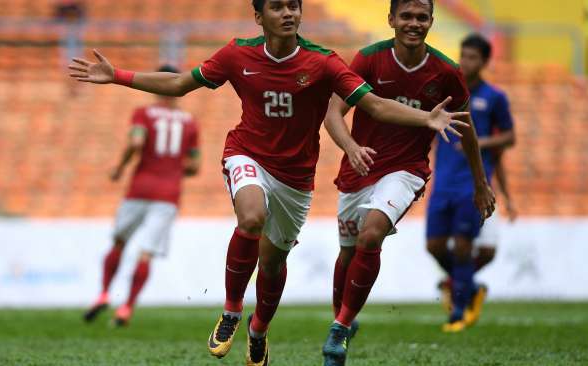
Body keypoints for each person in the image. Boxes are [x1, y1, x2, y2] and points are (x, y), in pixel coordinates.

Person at [69, 0, 469, 363]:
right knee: (251, 218)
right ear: (259, 17)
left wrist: (426, 118)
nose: (288, 14)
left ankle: (258, 330)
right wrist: (118, 75)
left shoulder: (323, 62)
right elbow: (180, 84)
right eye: (277, 8)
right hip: (248, 154)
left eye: (293, 7)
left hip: (296, 179)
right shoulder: (236, 53)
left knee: (274, 261)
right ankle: (230, 312)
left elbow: (374, 105)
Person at [320, 1, 496, 364]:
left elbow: (467, 131)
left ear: (431, 21)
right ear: (391, 20)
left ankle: (339, 327)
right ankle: (344, 318)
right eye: (407, 16)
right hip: (360, 167)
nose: (414, 24)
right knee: (348, 252)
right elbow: (333, 113)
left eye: (422, 17)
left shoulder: (446, 71)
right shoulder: (369, 60)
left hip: (406, 169)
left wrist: (481, 183)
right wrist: (351, 146)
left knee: (371, 235)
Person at [83, 65, 200, 326]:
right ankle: (126, 307)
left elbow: (136, 142)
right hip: (168, 194)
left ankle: (103, 293)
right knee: (146, 253)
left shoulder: (143, 114)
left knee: (119, 242)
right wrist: (172, 166)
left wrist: (119, 167)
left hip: (140, 187)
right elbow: (194, 166)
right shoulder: (190, 123)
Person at [426, 33, 516, 330]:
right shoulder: (448, 95)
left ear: (485, 61)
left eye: (473, 57)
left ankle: (458, 312)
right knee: (435, 246)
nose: (465, 62)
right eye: (463, 55)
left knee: (465, 247)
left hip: (471, 184)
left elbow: (510, 137)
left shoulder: (494, 98)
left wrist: (477, 141)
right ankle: (467, 286)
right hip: (442, 185)